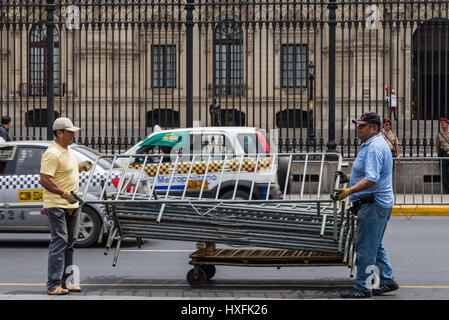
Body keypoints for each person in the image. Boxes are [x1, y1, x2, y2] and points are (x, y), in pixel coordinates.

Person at [333, 111, 399, 298]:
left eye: (362, 125)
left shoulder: (374, 148)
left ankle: (363, 288)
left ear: (374, 128)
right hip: (377, 203)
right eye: (358, 124)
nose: (358, 128)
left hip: (373, 204)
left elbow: (372, 178)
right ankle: (387, 279)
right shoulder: (370, 144)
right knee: (375, 245)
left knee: (365, 248)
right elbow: (368, 174)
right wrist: (350, 178)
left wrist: (349, 191)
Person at [40, 117, 92, 295]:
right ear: (59, 132)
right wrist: (64, 194)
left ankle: (67, 282)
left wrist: (80, 166)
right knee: (60, 241)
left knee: (69, 243)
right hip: (57, 204)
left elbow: (64, 170)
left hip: (71, 203)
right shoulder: (52, 153)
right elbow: (45, 179)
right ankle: (53, 284)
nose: (73, 135)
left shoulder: (67, 150)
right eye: (69, 132)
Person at [435, 117, 449, 194]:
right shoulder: (439, 135)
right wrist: (439, 155)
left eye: (444, 122)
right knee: (443, 172)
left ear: (447, 124)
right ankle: (446, 188)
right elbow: (437, 146)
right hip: (443, 153)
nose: (443, 124)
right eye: (442, 123)